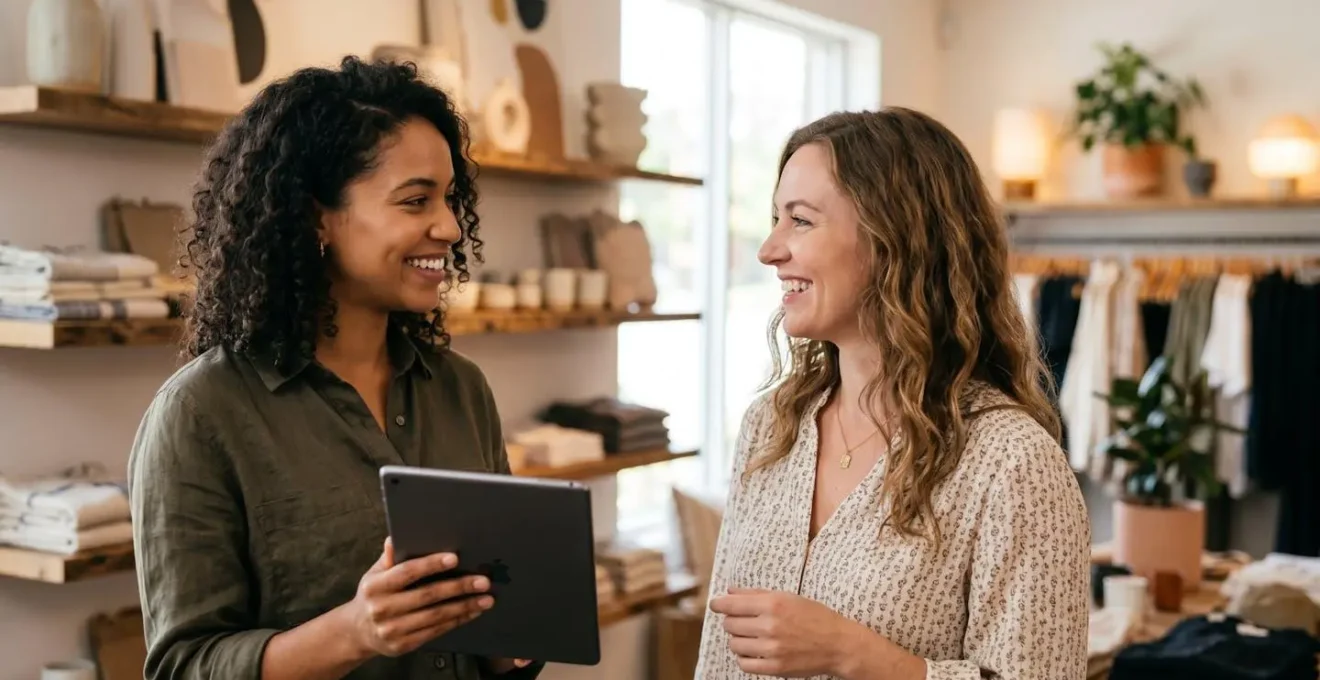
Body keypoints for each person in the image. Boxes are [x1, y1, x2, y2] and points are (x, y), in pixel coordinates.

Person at [127, 56, 541, 680]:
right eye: (415, 200)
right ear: (316, 215)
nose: (451, 226)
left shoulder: (461, 389)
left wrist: (518, 628)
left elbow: (495, 631)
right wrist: (355, 631)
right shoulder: (199, 415)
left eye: (450, 197)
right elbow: (184, 666)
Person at [695, 108, 1090, 680]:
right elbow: (718, 657)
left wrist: (858, 656)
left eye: (800, 221)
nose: (769, 249)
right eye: (775, 219)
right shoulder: (771, 426)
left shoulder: (1011, 463)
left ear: (894, 239)